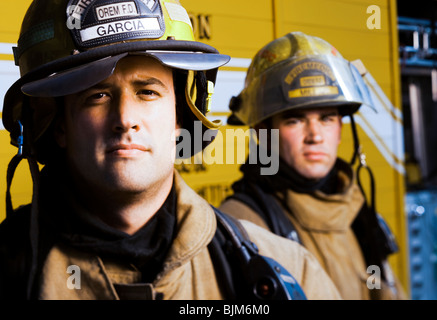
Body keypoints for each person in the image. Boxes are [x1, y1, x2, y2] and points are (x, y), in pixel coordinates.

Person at [0, 1, 341, 300]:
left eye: (147, 92)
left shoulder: (289, 270)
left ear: (180, 115)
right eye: (97, 95)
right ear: (59, 125)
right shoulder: (10, 267)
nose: (125, 119)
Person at [220, 31, 406, 300]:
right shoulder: (243, 226)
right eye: (294, 120)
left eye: (327, 118)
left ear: (340, 130)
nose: (315, 136)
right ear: (263, 132)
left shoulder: (359, 213)